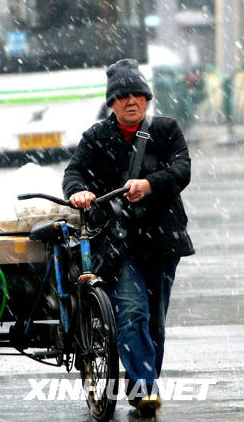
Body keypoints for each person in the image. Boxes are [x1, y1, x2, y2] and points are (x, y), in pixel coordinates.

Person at [62, 59, 195, 418]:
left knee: (155, 320)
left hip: (164, 242)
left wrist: (150, 184)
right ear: (112, 103)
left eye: (137, 94)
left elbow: (182, 170)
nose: (131, 101)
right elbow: (74, 173)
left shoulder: (167, 131)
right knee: (132, 312)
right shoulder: (96, 137)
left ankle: (143, 386)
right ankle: (145, 388)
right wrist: (80, 192)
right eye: (122, 96)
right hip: (121, 244)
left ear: (148, 99)